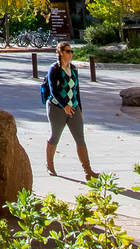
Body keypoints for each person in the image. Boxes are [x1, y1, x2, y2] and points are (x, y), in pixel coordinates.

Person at [41, 43, 97, 179]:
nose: (70, 54)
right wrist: (64, 105)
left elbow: (76, 90)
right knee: (55, 136)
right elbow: (53, 90)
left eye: (72, 51)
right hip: (57, 108)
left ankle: (88, 171)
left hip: (73, 108)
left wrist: (80, 108)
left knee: (80, 139)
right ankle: (50, 166)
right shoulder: (54, 69)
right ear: (60, 52)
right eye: (68, 51)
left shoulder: (73, 69)